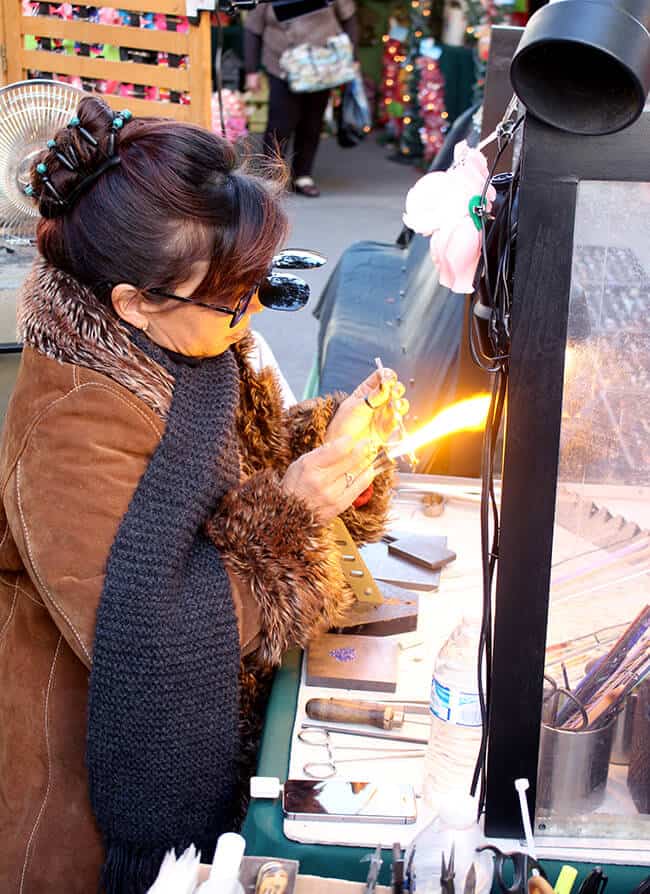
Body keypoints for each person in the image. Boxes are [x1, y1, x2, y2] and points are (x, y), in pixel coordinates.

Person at [0, 96, 407, 893]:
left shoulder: (189, 345)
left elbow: (243, 465)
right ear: (133, 302)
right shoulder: (72, 423)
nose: (252, 310)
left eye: (257, 282)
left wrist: (332, 448)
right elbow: (150, 638)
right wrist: (296, 509)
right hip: (92, 792)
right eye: (233, 296)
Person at [244, 0, 358, 197]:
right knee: (280, 123)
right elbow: (253, 29)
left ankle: (303, 175)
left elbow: (349, 19)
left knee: (312, 122)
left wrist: (351, 57)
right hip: (282, 65)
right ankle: (270, 177)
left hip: (323, 65)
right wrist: (251, 70)